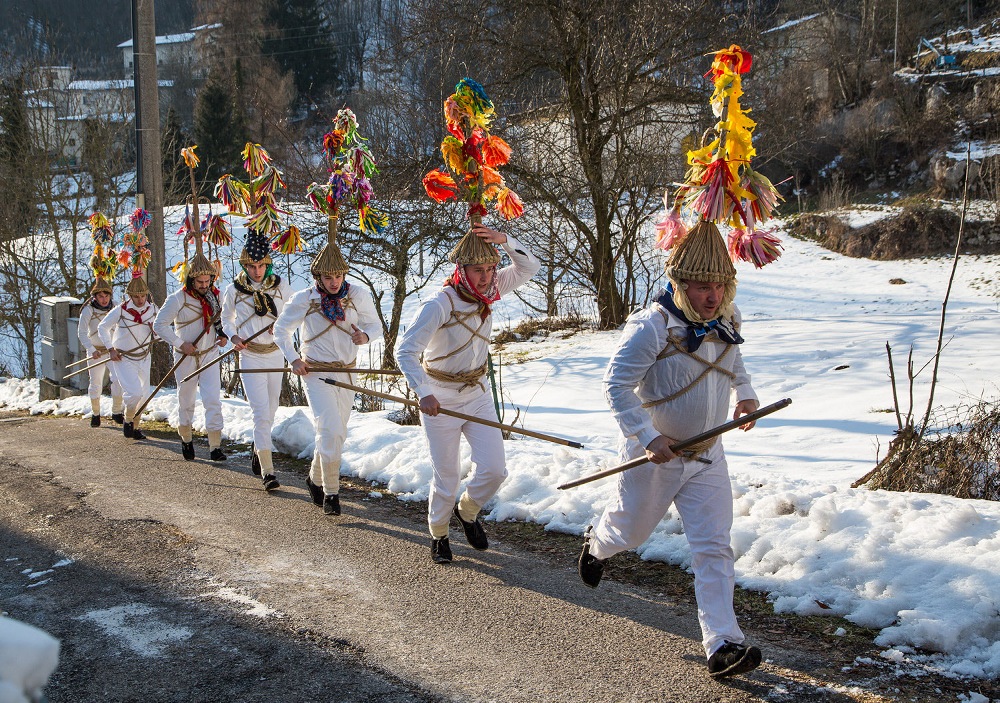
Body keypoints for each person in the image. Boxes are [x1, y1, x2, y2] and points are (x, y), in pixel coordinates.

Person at [577, 220, 762, 678]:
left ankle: (723, 644)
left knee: (715, 547)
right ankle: (597, 544)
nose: (713, 296)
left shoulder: (729, 318)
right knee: (630, 533)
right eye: (702, 287)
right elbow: (616, 385)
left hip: (709, 457)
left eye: (720, 285)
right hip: (655, 457)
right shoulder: (652, 325)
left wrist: (746, 394)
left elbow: (733, 360)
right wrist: (648, 436)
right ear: (679, 283)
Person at [397, 222, 540, 564]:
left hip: (477, 393)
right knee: (447, 477)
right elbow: (404, 351)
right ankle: (439, 533)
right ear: (461, 269)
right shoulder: (439, 303)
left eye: (491, 269)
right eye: (479, 270)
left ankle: (468, 510)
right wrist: (423, 392)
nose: (487, 277)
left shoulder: (491, 290)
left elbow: (529, 267)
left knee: (494, 469)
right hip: (439, 398)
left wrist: (504, 241)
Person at [273, 234, 381, 516]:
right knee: (330, 428)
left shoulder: (357, 295)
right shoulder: (304, 299)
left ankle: (315, 478)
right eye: (327, 276)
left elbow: (376, 326)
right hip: (316, 372)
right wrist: (294, 359)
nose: (334, 281)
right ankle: (332, 493)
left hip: (347, 372)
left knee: (338, 433)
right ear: (318, 277)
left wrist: (365, 336)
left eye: (338, 275)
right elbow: (280, 331)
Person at [222, 232, 292, 490]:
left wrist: (282, 326)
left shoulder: (281, 287)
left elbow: (293, 314)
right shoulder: (234, 290)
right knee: (261, 412)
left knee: (271, 410)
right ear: (244, 266)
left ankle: (257, 447)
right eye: (252, 266)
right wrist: (233, 336)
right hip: (250, 355)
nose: (257, 270)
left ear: (268, 264)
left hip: (275, 354)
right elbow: (226, 319)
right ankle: (268, 472)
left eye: (261, 265)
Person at [153, 251, 229, 461]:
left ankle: (215, 446)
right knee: (186, 400)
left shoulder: (217, 295)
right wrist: (180, 343)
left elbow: (226, 321)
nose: (204, 285)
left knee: (213, 399)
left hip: (209, 354)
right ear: (191, 279)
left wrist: (224, 336)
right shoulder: (178, 298)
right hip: (185, 357)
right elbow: (159, 326)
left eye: (208, 281)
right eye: (200, 281)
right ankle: (186, 439)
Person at [98, 271, 158, 440]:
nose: (140, 300)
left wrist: (157, 331)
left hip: (144, 356)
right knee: (134, 393)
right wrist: (110, 349)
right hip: (123, 358)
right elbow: (102, 327)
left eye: (143, 296)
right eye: (136, 297)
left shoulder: (153, 309)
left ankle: (134, 425)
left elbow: (162, 330)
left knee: (145, 395)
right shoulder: (121, 310)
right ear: (130, 296)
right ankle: (128, 418)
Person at [78, 275, 123, 427]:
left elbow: (122, 327)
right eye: (100, 296)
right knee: (96, 382)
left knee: (118, 379)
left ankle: (117, 412)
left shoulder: (117, 306)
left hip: (113, 350)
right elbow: (82, 333)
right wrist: (91, 349)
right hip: (96, 351)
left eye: (106, 296)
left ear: (110, 295)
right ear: (95, 297)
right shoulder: (88, 310)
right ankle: (96, 414)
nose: (104, 299)